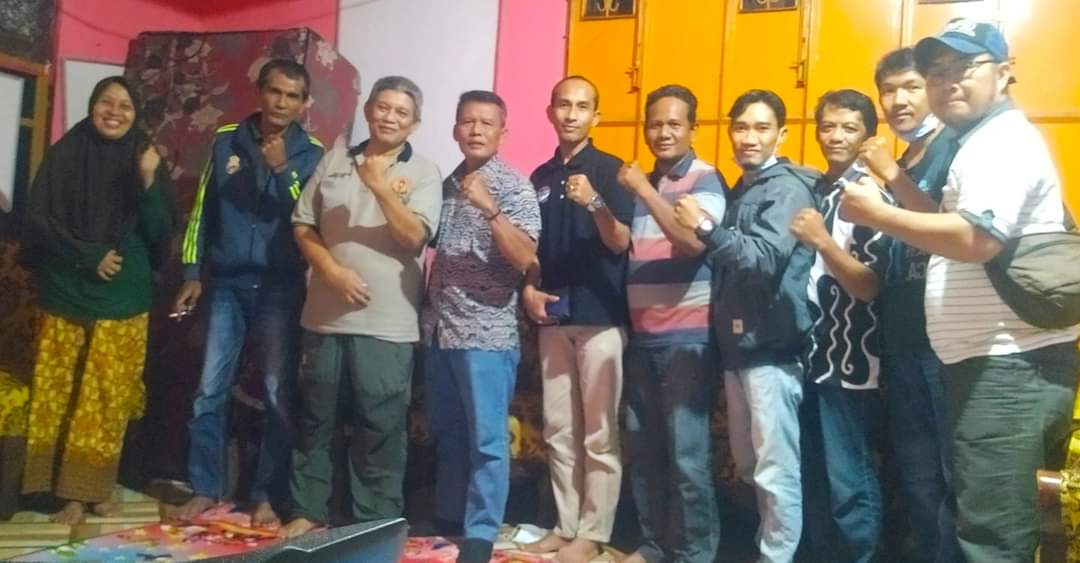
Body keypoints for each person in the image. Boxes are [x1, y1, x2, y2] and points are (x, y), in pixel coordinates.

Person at [838, 18, 1080, 561]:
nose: (947, 82)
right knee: (985, 517)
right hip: (991, 363)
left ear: (1005, 72)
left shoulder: (1003, 142)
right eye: (936, 71)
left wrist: (877, 212)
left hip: (1008, 367)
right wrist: (896, 190)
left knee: (992, 536)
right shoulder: (979, 144)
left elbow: (975, 239)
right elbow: (945, 225)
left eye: (964, 68)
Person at [281, 76, 442, 537]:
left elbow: (414, 238)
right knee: (316, 419)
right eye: (383, 107)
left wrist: (379, 185)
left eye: (401, 112)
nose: (390, 117)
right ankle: (308, 508)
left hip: (388, 324)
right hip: (324, 318)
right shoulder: (333, 161)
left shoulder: (424, 171)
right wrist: (331, 270)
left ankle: (374, 521)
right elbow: (303, 224)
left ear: (415, 124)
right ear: (369, 110)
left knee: (381, 426)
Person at [173, 59, 324, 526]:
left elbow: (312, 218)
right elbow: (203, 211)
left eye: (292, 96)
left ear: (304, 103)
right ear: (260, 92)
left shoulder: (313, 152)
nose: (281, 103)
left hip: (280, 288)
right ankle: (205, 487)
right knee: (209, 389)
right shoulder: (226, 140)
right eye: (274, 92)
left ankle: (266, 495)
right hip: (226, 284)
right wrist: (192, 272)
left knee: (278, 393)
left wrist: (282, 171)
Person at [22, 76, 176, 525]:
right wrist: (87, 255)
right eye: (105, 103)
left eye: (125, 106)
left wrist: (149, 179)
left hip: (122, 296)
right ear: (91, 107)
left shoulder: (145, 157)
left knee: (106, 396)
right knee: (60, 391)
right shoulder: (67, 153)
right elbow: (39, 219)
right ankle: (61, 495)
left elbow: (160, 231)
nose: (114, 112)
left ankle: (92, 489)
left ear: (136, 114)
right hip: (66, 289)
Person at [674, 89, 818, 563]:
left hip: (772, 346)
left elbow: (763, 259)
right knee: (750, 464)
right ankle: (768, 549)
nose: (749, 138)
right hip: (739, 346)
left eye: (761, 128)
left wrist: (704, 228)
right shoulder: (744, 187)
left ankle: (776, 557)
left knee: (775, 469)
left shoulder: (785, 189)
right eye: (741, 127)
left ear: (782, 134)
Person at [420, 90, 541, 563]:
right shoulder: (446, 185)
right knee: (448, 433)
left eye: (486, 123)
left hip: (486, 335)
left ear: (502, 132)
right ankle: (449, 516)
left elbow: (526, 258)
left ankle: (481, 533)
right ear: (455, 129)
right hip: (439, 330)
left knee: (488, 441)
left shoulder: (514, 188)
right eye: (468, 121)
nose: (476, 130)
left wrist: (490, 208)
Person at [520, 75, 633, 563]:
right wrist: (528, 289)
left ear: (596, 116)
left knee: (599, 433)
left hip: (602, 317)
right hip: (553, 317)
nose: (571, 114)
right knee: (559, 429)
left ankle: (594, 531)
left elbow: (620, 241)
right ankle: (566, 526)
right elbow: (532, 249)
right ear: (550, 113)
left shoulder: (611, 170)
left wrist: (595, 201)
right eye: (563, 105)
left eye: (582, 106)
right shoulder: (540, 177)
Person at [859, 47, 960, 563]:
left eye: (911, 87)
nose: (898, 101)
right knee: (919, 479)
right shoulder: (902, 160)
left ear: (934, 88)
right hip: (901, 339)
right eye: (889, 90)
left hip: (946, 345)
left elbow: (954, 234)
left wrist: (891, 180)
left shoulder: (955, 148)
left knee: (954, 478)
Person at [619, 84, 727, 563]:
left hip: (688, 338)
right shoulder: (645, 183)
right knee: (645, 452)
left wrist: (644, 191)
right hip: (642, 336)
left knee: (687, 457)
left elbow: (693, 242)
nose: (663, 132)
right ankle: (654, 545)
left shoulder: (705, 180)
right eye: (655, 124)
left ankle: (693, 554)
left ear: (692, 130)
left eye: (674, 124)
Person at [790, 89, 890, 563]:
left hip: (852, 363)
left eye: (850, 128)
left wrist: (823, 242)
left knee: (851, 481)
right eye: (828, 126)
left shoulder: (866, 195)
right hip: (814, 356)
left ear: (868, 136)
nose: (836, 136)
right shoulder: (822, 189)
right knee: (814, 476)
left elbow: (869, 285)